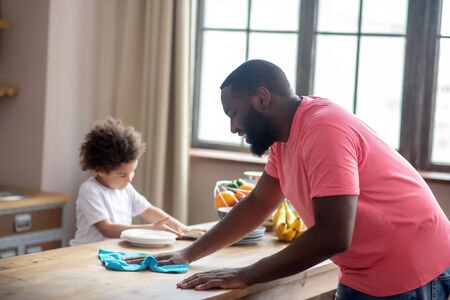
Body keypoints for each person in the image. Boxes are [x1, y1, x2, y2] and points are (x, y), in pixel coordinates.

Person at [126, 60, 450, 298]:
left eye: (233, 113)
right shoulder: (284, 139)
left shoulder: (323, 129)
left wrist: (246, 275)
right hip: (364, 272)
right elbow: (258, 202)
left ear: (263, 98)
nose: (233, 128)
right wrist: (189, 253)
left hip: (413, 267)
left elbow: (334, 235)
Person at [70, 117, 190, 246]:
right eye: (123, 174)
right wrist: (151, 229)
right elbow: (107, 229)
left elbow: (149, 210)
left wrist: (184, 229)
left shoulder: (126, 188)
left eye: (133, 171)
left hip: (114, 251)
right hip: (87, 251)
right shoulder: (90, 190)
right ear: (100, 170)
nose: (130, 178)